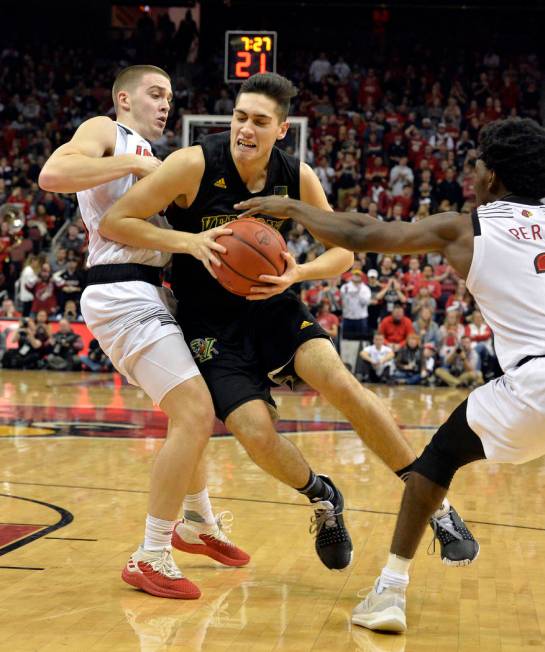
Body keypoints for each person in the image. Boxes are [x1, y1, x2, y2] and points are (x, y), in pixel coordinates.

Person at [100, 72, 477, 572]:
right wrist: (189, 243)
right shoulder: (193, 164)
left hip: (271, 305)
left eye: (259, 121)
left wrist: (299, 272)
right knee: (255, 434)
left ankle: (437, 505)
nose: (246, 129)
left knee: (339, 381)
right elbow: (116, 221)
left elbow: (343, 252)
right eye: (239, 117)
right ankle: (323, 498)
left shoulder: (295, 175)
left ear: (281, 129)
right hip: (209, 327)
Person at [236, 116, 545, 633]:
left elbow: (363, 232)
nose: (471, 174)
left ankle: (390, 592)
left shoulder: (468, 226)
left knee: (433, 465)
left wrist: (293, 207)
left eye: (476, 166)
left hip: (533, 385)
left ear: (492, 176)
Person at [39, 64, 248, 600]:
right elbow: (52, 175)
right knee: (196, 411)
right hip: (118, 290)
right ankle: (151, 553)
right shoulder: (107, 131)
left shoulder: (161, 159)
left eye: (169, 98)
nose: (165, 105)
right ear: (124, 99)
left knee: (196, 412)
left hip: (154, 290)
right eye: (155, 95)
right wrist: (130, 160)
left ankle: (196, 519)